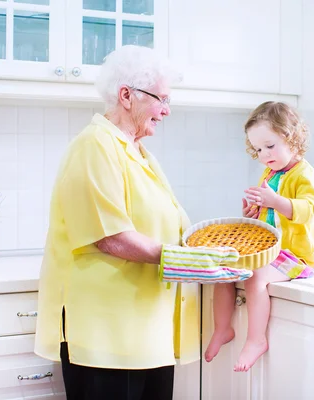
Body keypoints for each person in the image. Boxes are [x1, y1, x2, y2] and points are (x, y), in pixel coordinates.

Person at [34, 45, 241, 399]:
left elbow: (163, 227)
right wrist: (189, 260)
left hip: (148, 334)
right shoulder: (95, 146)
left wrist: (208, 251)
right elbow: (110, 237)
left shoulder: (137, 152)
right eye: (161, 98)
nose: (166, 110)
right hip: (107, 339)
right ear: (126, 95)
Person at [204, 101, 314, 372]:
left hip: (295, 255)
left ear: (291, 137)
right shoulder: (269, 172)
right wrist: (253, 211)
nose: (263, 154)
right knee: (225, 268)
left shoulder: (305, 174)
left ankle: (256, 340)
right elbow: (266, 216)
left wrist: (275, 200)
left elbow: (307, 210)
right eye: (258, 149)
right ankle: (222, 329)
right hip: (270, 251)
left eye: (270, 146)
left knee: (255, 275)